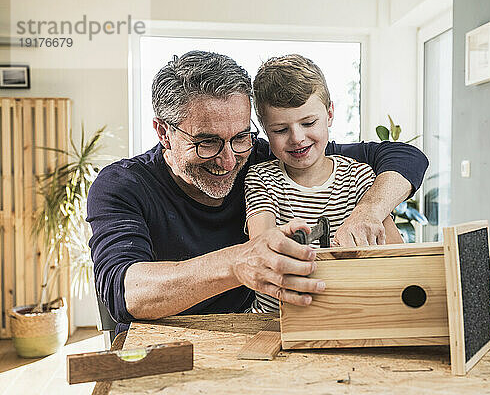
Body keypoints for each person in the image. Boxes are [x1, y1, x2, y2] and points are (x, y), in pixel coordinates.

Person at [87, 50, 429, 335]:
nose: (227, 159)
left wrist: (368, 212)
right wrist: (238, 262)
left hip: (258, 333)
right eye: (207, 142)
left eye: (240, 136)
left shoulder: (267, 154)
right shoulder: (122, 186)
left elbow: (402, 156)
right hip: (167, 343)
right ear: (163, 131)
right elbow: (126, 291)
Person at [245, 54, 404, 313]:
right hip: (274, 321)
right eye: (280, 130)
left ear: (329, 113)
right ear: (264, 128)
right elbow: (262, 253)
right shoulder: (262, 178)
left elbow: (398, 257)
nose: (297, 138)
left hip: (346, 314)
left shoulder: (359, 177)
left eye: (309, 123)